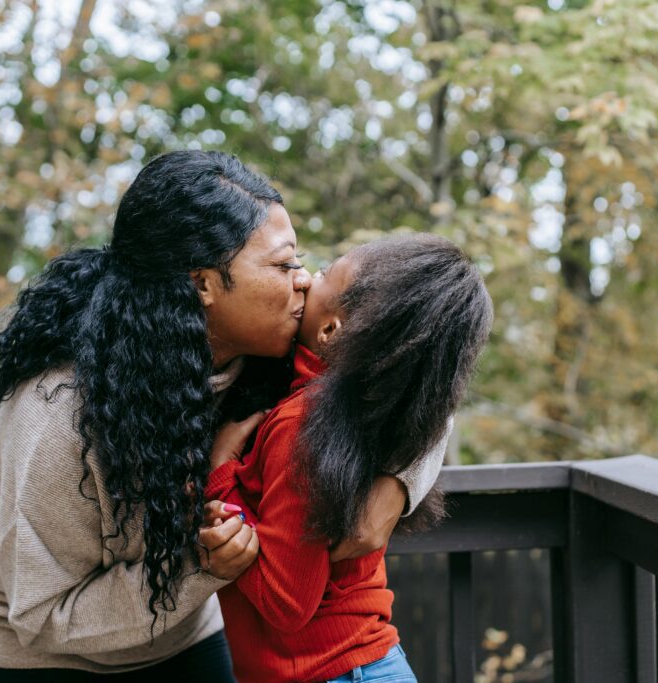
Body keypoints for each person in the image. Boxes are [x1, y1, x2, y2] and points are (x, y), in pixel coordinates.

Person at [0, 151, 446, 681]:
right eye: (282, 265)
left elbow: (416, 371)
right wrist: (199, 569)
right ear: (203, 284)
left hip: (180, 621)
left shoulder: (265, 354)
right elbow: (42, 614)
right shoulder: (60, 413)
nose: (303, 281)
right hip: (39, 650)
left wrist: (397, 483)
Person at [205, 234, 493, 683]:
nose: (302, 278)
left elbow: (287, 603)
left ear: (331, 331)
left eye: (319, 274)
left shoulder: (300, 423)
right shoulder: (359, 407)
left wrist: (221, 473)